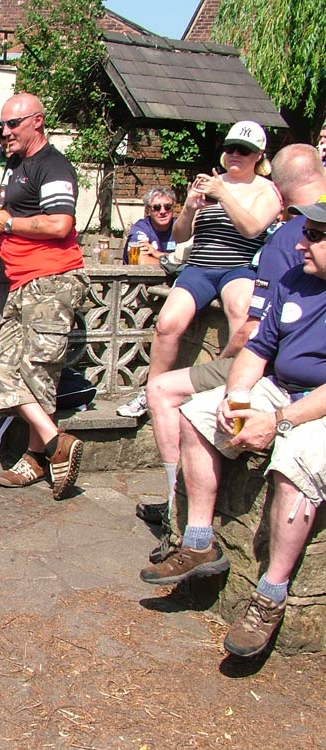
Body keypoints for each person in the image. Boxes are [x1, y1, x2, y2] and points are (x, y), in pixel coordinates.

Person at [139, 194, 326, 658]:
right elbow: (258, 349)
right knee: (198, 411)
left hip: (315, 405)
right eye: (305, 231)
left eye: (316, 236)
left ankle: (271, 593)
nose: (302, 242)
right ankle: (199, 542)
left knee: (296, 460)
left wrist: (278, 421)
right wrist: (238, 397)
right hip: (279, 386)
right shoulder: (295, 281)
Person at [135, 145, 326, 545]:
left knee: (163, 391)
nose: (304, 243)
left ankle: (176, 512)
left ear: (275, 185)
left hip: (275, 373)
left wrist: (228, 377)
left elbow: (251, 333)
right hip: (276, 363)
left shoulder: (285, 241)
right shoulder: (299, 232)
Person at [0, 93, 87, 500]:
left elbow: (60, 224)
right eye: (2, 125)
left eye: (13, 124)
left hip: (53, 281)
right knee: (2, 371)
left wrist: (8, 222)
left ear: (37, 122)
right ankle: (55, 442)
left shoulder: (54, 166)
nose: (4, 132)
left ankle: (35, 457)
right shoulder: (14, 166)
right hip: (23, 283)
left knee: (39, 374)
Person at [117, 121, 281, 420]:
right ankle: (151, 392)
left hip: (238, 266)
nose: (235, 155)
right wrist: (191, 207)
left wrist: (224, 195)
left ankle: (235, 392)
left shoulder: (266, 190)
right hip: (199, 267)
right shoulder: (208, 183)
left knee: (241, 312)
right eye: (230, 148)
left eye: (243, 151)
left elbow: (252, 228)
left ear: (258, 155)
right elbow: (180, 236)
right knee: (167, 323)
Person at [121, 186, 178, 265]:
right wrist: (175, 262)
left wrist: (156, 253)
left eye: (167, 206)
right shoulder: (141, 229)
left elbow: (192, 260)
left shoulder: (180, 228)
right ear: (148, 210)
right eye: (157, 207)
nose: (163, 211)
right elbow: (143, 262)